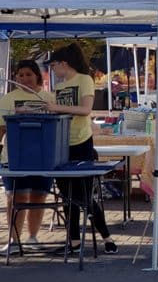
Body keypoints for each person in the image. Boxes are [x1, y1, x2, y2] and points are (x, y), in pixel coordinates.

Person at [45, 44, 117, 255]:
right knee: (67, 197)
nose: (53, 71)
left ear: (63, 64)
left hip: (82, 143)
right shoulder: (58, 87)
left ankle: (107, 237)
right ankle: (74, 241)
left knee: (84, 197)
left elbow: (86, 110)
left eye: (54, 66)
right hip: (61, 144)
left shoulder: (85, 80)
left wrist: (56, 108)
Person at [0, 60, 56, 254]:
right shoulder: (7, 99)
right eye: (20, 75)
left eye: (28, 74)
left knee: (39, 196)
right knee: (15, 197)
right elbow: (1, 128)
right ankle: (14, 241)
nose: (24, 78)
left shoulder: (48, 97)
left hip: (43, 156)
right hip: (14, 157)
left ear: (37, 75)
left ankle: (33, 237)